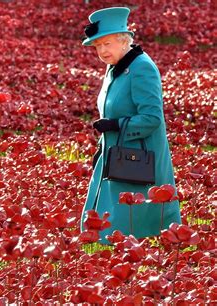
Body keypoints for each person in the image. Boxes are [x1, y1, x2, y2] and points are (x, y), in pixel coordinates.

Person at [80, 7, 181, 242]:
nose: (102, 51)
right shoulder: (115, 67)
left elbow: (152, 118)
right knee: (113, 218)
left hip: (138, 158)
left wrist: (116, 125)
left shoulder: (141, 68)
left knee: (132, 220)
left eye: (107, 43)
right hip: (116, 152)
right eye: (97, 46)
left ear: (124, 40)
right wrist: (102, 145)